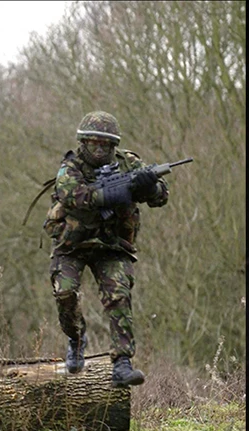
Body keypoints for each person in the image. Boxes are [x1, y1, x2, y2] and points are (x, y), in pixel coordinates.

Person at [43, 111, 169, 387]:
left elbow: (161, 195)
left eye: (105, 145)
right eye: (93, 144)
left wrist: (147, 188)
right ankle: (76, 339)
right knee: (64, 292)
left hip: (112, 246)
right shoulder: (70, 167)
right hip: (72, 245)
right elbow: (70, 194)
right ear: (83, 143)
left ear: (113, 147)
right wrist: (109, 194)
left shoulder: (129, 163)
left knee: (119, 294)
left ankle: (122, 363)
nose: (99, 150)